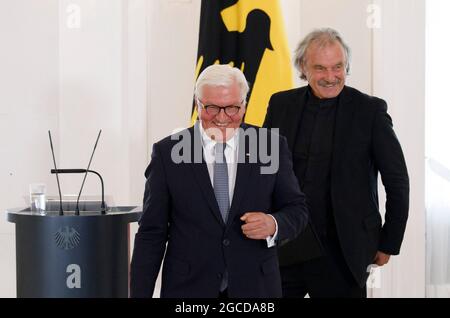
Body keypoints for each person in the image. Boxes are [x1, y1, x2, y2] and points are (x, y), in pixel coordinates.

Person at [130, 64, 309, 298]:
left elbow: (297, 209)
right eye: (212, 107)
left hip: (256, 289)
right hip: (189, 290)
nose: (222, 118)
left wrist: (273, 224)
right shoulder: (168, 153)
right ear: (198, 103)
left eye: (232, 108)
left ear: (244, 105)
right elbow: (151, 233)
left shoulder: (271, 146)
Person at [263, 28, 409, 298]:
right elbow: (263, 170)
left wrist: (389, 241)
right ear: (303, 68)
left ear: (346, 66)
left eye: (337, 67)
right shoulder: (281, 104)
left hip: (343, 251)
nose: (330, 77)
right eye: (320, 68)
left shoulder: (370, 111)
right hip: (285, 245)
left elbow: (397, 180)